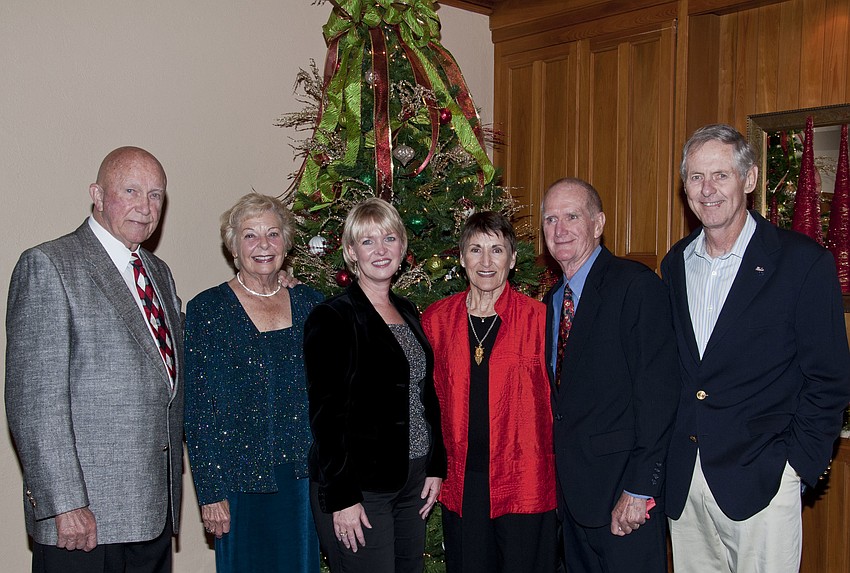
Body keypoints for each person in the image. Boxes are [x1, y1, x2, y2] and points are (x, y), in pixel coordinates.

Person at [662, 124, 850, 573]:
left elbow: (829, 377)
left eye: (720, 175)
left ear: (748, 180)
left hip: (764, 477)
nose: (707, 190)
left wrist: (797, 466)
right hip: (686, 481)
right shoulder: (675, 263)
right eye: (695, 177)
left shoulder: (802, 262)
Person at [5, 146, 183, 573]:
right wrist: (65, 503)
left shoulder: (158, 273)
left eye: (156, 195)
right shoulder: (49, 265)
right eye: (131, 191)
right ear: (98, 195)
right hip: (85, 524)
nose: (145, 206)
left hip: (151, 514)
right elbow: (35, 403)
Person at [542, 178, 680, 573]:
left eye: (572, 216)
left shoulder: (635, 286)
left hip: (625, 499)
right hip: (571, 501)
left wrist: (640, 489)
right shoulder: (551, 302)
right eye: (551, 219)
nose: (560, 229)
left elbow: (658, 397)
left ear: (598, 223)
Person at [304, 197, 446, 573]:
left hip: (412, 480)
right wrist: (342, 497)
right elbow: (326, 415)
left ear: (402, 246)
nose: (380, 250)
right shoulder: (332, 317)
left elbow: (424, 395)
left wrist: (435, 465)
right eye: (367, 241)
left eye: (389, 238)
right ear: (352, 252)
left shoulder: (409, 311)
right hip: (360, 487)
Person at [184, 193, 323, 572]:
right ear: (233, 247)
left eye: (273, 234)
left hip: (303, 482)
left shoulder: (313, 304)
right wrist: (210, 491)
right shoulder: (207, 309)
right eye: (250, 236)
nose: (263, 245)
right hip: (238, 484)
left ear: (286, 243)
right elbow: (198, 409)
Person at [421, 211, 557, 573]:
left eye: (496, 250)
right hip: (463, 486)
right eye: (475, 249)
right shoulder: (435, 320)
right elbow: (424, 404)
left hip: (526, 481)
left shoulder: (542, 321)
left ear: (512, 260)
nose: (485, 261)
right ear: (462, 257)